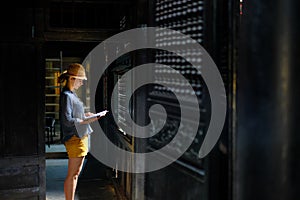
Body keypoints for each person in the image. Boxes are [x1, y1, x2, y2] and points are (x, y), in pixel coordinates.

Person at [58, 63, 108, 200]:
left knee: (76, 173)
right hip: (75, 138)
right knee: (73, 174)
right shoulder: (67, 96)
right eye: (80, 80)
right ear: (72, 79)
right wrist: (87, 120)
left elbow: (75, 116)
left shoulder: (71, 95)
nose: (81, 83)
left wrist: (86, 115)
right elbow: (67, 120)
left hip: (80, 137)